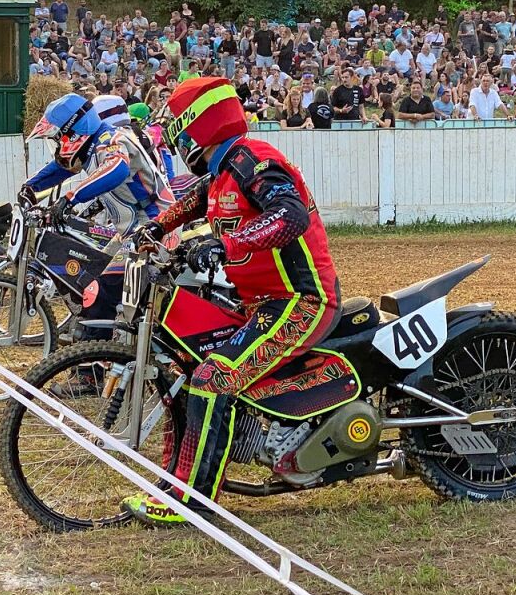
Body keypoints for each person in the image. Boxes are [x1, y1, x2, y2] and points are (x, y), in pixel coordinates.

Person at [120, 77, 341, 527]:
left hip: (301, 302)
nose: (176, 139)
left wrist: (229, 243)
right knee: (187, 368)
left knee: (213, 377)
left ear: (196, 126)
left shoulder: (253, 160)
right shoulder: (223, 172)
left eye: (178, 128)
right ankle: (174, 478)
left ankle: (193, 503)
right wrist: (155, 229)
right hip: (260, 305)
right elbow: (192, 203)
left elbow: (290, 214)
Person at [21, 93, 176, 339]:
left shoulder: (112, 139)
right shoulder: (93, 145)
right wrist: (30, 187)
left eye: (58, 139)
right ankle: (107, 349)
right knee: (90, 277)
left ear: (74, 132)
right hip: (133, 230)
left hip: (157, 225)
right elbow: (60, 169)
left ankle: (92, 368)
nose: (58, 147)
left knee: (100, 291)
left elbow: (117, 167)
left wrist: (71, 197)